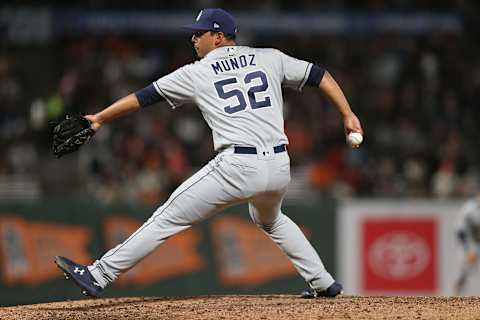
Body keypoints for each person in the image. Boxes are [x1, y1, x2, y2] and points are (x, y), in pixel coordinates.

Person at [55, 8, 363, 299]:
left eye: (199, 33)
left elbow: (144, 97)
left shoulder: (197, 72)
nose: (193, 38)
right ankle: (322, 282)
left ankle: (99, 274)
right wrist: (348, 114)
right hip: (280, 166)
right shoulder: (269, 57)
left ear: (218, 37)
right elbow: (319, 74)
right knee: (271, 219)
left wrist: (99, 118)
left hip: (238, 165)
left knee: (166, 217)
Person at [454, 192, 480, 295]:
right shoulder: (468, 209)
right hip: (470, 243)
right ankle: (456, 296)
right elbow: (460, 230)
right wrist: (468, 249)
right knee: (463, 270)